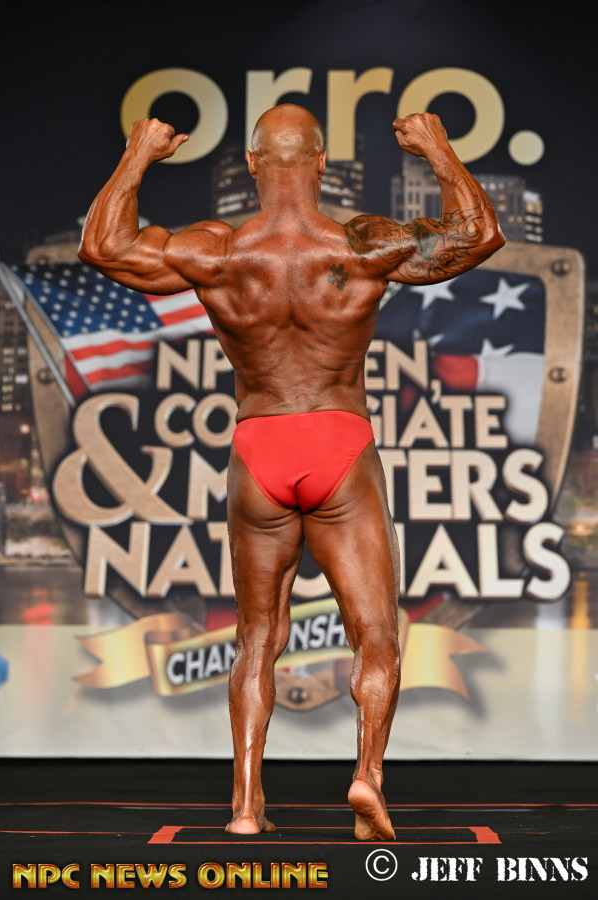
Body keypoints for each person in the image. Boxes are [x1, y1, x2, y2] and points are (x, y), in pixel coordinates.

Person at [79, 104, 505, 841]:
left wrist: (138, 155)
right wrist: (436, 149)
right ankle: (367, 776)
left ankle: (246, 807)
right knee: (375, 636)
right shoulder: (362, 243)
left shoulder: (217, 250)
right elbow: (479, 234)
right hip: (339, 443)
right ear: (321, 159)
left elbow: (103, 247)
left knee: (257, 637)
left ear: (251, 163)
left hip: (260, 449)